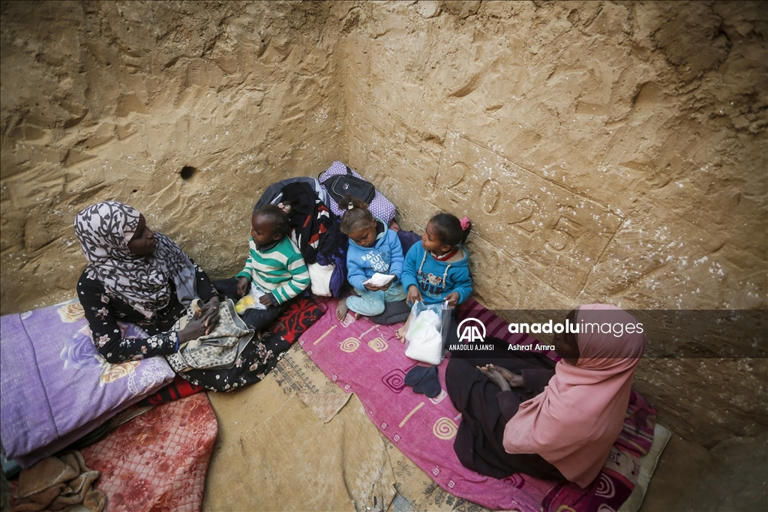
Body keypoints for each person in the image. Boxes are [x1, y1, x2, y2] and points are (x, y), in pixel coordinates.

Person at [445, 305, 647, 487]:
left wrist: (504, 388)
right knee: (490, 348)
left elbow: (522, 433)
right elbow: (558, 377)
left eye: (567, 337)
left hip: (542, 456)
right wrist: (519, 379)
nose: (558, 334)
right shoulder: (611, 373)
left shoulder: (571, 412)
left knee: (461, 373)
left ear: (594, 353)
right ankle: (457, 343)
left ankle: (451, 343)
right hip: (555, 428)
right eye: (563, 327)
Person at [75, 201, 220, 364]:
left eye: (146, 227)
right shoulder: (92, 285)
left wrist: (212, 301)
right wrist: (183, 335)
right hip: (168, 333)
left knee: (245, 320)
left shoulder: (158, 244)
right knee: (226, 362)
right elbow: (112, 349)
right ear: (115, 245)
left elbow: (191, 269)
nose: (150, 234)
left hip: (195, 310)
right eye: (138, 235)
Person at [215, 204, 310, 331]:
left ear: (276, 236)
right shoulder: (255, 241)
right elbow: (251, 258)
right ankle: (233, 305)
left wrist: (275, 296)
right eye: (253, 229)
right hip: (253, 284)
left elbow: (302, 280)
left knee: (250, 324)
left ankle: (238, 313)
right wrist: (245, 276)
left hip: (270, 298)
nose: (253, 234)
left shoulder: (289, 254)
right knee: (216, 287)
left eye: (258, 232)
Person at [396, 213, 473, 338]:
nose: (423, 237)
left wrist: (458, 294)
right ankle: (413, 318)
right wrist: (411, 286)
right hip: (416, 301)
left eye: (430, 238)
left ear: (445, 247)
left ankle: (417, 323)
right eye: (425, 232)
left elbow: (465, 286)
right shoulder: (417, 249)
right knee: (383, 311)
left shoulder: (458, 266)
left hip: (439, 309)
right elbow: (407, 270)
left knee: (448, 339)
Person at [335, 197, 407, 321]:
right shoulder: (353, 251)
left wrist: (394, 276)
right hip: (369, 286)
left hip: (390, 280)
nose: (362, 243)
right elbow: (353, 275)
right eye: (357, 240)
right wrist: (365, 284)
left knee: (408, 290)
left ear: (373, 223)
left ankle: (364, 306)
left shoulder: (391, 237)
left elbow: (397, 259)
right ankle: (349, 301)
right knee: (378, 308)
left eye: (365, 236)